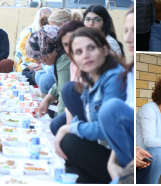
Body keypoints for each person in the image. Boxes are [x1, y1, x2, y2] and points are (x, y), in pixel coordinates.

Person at [54, 27, 127, 183]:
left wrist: (68, 128)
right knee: (72, 171)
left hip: (121, 161)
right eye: (78, 52)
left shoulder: (115, 77)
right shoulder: (92, 78)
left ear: (105, 49)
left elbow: (105, 128)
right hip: (106, 150)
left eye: (91, 48)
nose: (85, 55)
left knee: (69, 141)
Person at [99, 8, 135, 183]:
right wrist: (112, 163)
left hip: (135, 151)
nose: (127, 38)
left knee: (109, 109)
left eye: (134, 30)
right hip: (124, 150)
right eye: (126, 31)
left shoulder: (116, 73)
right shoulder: (130, 71)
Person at [46, 21, 86, 134]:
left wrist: (71, 130)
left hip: (95, 117)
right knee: (56, 125)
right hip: (80, 108)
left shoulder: (91, 61)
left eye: (74, 41)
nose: (71, 47)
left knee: (68, 88)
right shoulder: (73, 63)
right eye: (66, 44)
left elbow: (68, 93)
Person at [27, 25, 71, 121]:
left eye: (40, 58)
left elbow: (64, 93)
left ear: (47, 52)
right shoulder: (59, 56)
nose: (42, 63)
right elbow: (59, 83)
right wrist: (47, 99)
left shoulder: (63, 59)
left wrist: (60, 123)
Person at [14, 7, 52, 74]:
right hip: (27, 60)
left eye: (49, 13)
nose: (47, 15)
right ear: (39, 17)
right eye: (44, 13)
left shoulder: (52, 31)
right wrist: (35, 59)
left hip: (45, 62)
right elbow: (20, 48)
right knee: (26, 69)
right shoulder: (29, 31)